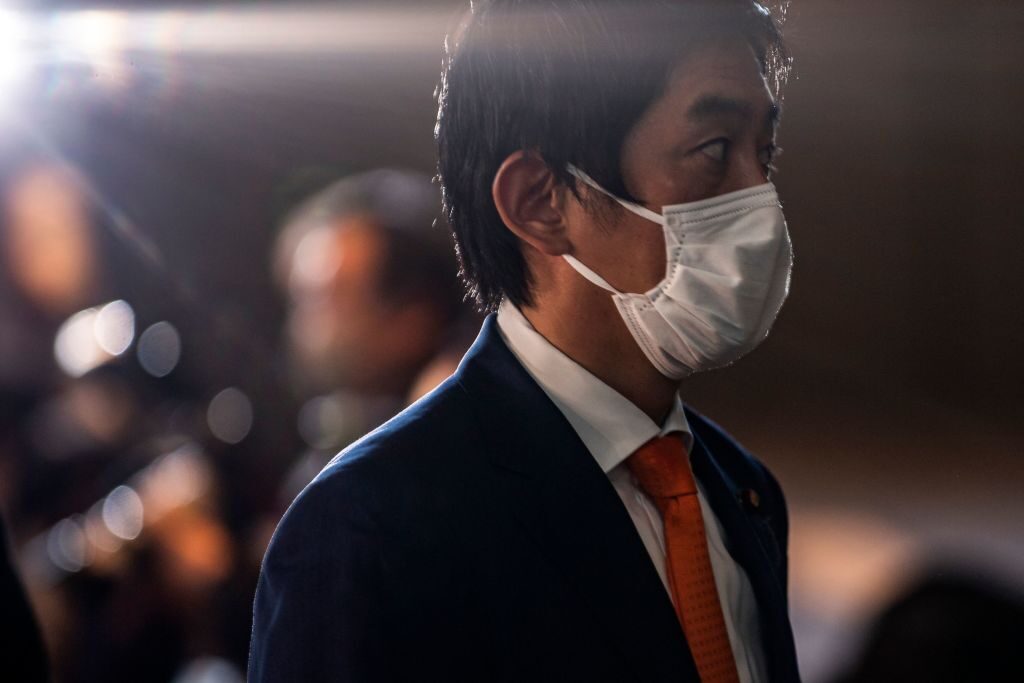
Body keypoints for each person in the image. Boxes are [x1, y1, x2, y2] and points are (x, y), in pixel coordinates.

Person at [250, 1, 800, 681]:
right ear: (540, 201)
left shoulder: (743, 491)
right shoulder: (371, 529)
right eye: (714, 150)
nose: (759, 199)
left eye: (764, 153)